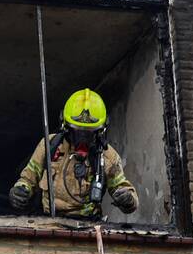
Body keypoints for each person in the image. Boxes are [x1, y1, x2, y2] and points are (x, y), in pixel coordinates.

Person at [9, 88, 138, 219]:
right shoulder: (49, 145)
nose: (82, 138)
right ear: (65, 126)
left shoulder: (107, 156)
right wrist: (20, 190)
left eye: (89, 132)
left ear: (100, 131)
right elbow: (28, 179)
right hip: (48, 221)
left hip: (87, 225)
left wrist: (127, 199)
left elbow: (123, 190)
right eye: (77, 131)